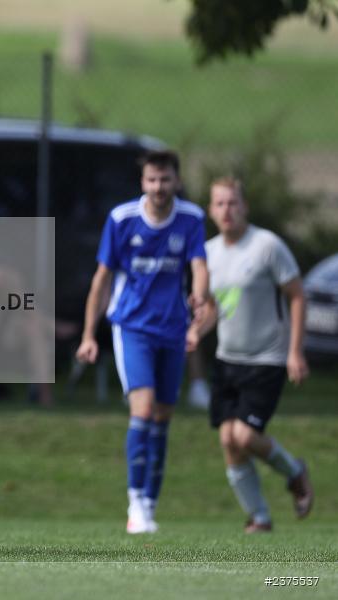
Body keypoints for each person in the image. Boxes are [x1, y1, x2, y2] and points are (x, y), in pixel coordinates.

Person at [76, 150, 209, 534]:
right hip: (132, 327)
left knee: (164, 418)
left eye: (165, 179)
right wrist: (88, 334)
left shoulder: (191, 219)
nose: (158, 186)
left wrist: (199, 297)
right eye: (152, 179)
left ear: (176, 181)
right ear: (142, 182)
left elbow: (199, 266)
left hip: (172, 328)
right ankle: (135, 502)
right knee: (144, 409)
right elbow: (102, 280)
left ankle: (151, 499)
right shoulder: (122, 220)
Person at [190, 176, 313, 533]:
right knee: (228, 440)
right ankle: (259, 517)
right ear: (211, 210)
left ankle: (294, 471)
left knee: (244, 436)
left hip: (268, 359)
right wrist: (196, 331)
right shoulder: (208, 253)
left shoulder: (266, 246)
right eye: (220, 204)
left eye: (233, 203)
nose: (227, 210)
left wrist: (295, 352)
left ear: (244, 206)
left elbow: (297, 296)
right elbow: (215, 308)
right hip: (229, 361)